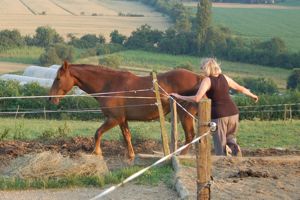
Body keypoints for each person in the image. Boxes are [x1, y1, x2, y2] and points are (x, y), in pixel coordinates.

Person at [170, 58, 258, 156]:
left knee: (219, 142)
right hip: (233, 112)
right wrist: (253, 95)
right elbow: (240, 88)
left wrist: (179, 96)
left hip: (218, 116)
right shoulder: (224, 77)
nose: (201, 70)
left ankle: (222, 163)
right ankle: (235, 151)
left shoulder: (207, 80)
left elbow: (197, 98)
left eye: (202, 68)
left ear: (207, 68)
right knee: (230, 137)